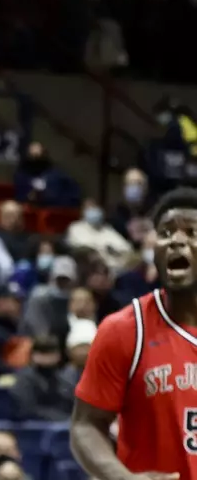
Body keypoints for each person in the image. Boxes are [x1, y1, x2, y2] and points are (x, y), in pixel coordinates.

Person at [72, 186, 197, 480]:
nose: (176, 242)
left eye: (191, 232)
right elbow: (86, 425)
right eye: (166, 233)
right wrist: (122, 478)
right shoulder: (125, 329)